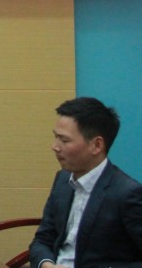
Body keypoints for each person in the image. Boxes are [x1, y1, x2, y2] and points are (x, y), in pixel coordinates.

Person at [29, 97, 142, 268]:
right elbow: (42, 240)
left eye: (64, 140)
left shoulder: (127, 194)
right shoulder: (62, 179)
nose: (55, 146)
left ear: (96, 145)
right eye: (56, 137)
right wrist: (47, 265)